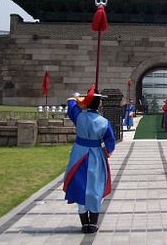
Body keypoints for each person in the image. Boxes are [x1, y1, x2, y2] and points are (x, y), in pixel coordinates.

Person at [63, 86, 115, 233]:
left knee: (80, 185)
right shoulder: (104, 122)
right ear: (98, 104)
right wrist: (106, 152)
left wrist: (78, 98)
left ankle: (84, 222)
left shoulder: (79, 116)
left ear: (86, 102)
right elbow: (110, 143)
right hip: (96, 154)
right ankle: (92, 223)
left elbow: (71, 102)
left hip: (79, 154)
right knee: (95, 186)